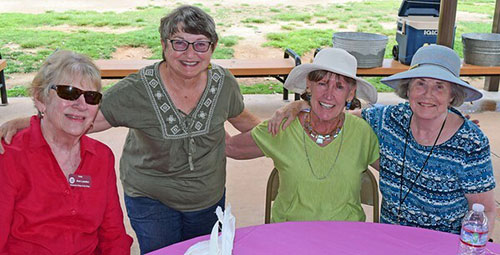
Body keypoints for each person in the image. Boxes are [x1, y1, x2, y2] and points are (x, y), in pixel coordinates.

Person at [0, 5, 260, 254]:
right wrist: (34, 119)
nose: (190, 54)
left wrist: (289, 119)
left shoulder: (223, 83)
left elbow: (247, 123)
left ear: (212, 48)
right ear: (163, 45)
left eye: (200, 44)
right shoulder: (137, 89)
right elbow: (85, 114)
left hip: (208, 198)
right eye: (179, 42)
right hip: (153, 200)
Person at [268, 45, 496, 234]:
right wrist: (300, 105)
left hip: (443, 244)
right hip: (389, 241)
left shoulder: (470, 143)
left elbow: (485, 210)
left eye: (439, 86)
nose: (428, 94)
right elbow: (334, 110)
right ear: (408, 89)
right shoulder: (388, 120)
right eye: (420, 84)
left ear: (452, 95)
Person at [0, 50, 132, 254]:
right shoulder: (9, 155)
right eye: (68, 92)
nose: (81, 105)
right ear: (40, 98)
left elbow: (113, 234)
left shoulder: (101, 157)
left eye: (91, 97)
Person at [226, 48, 380, 222]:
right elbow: (231, 147)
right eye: (322, 83)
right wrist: (204, 104)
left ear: (350, 93)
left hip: (346, 238)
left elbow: (396, 171)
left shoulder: (362, 133)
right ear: (309, 85)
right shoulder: (285, 125)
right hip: (289, 236)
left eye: (339, 86)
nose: (328, 94)